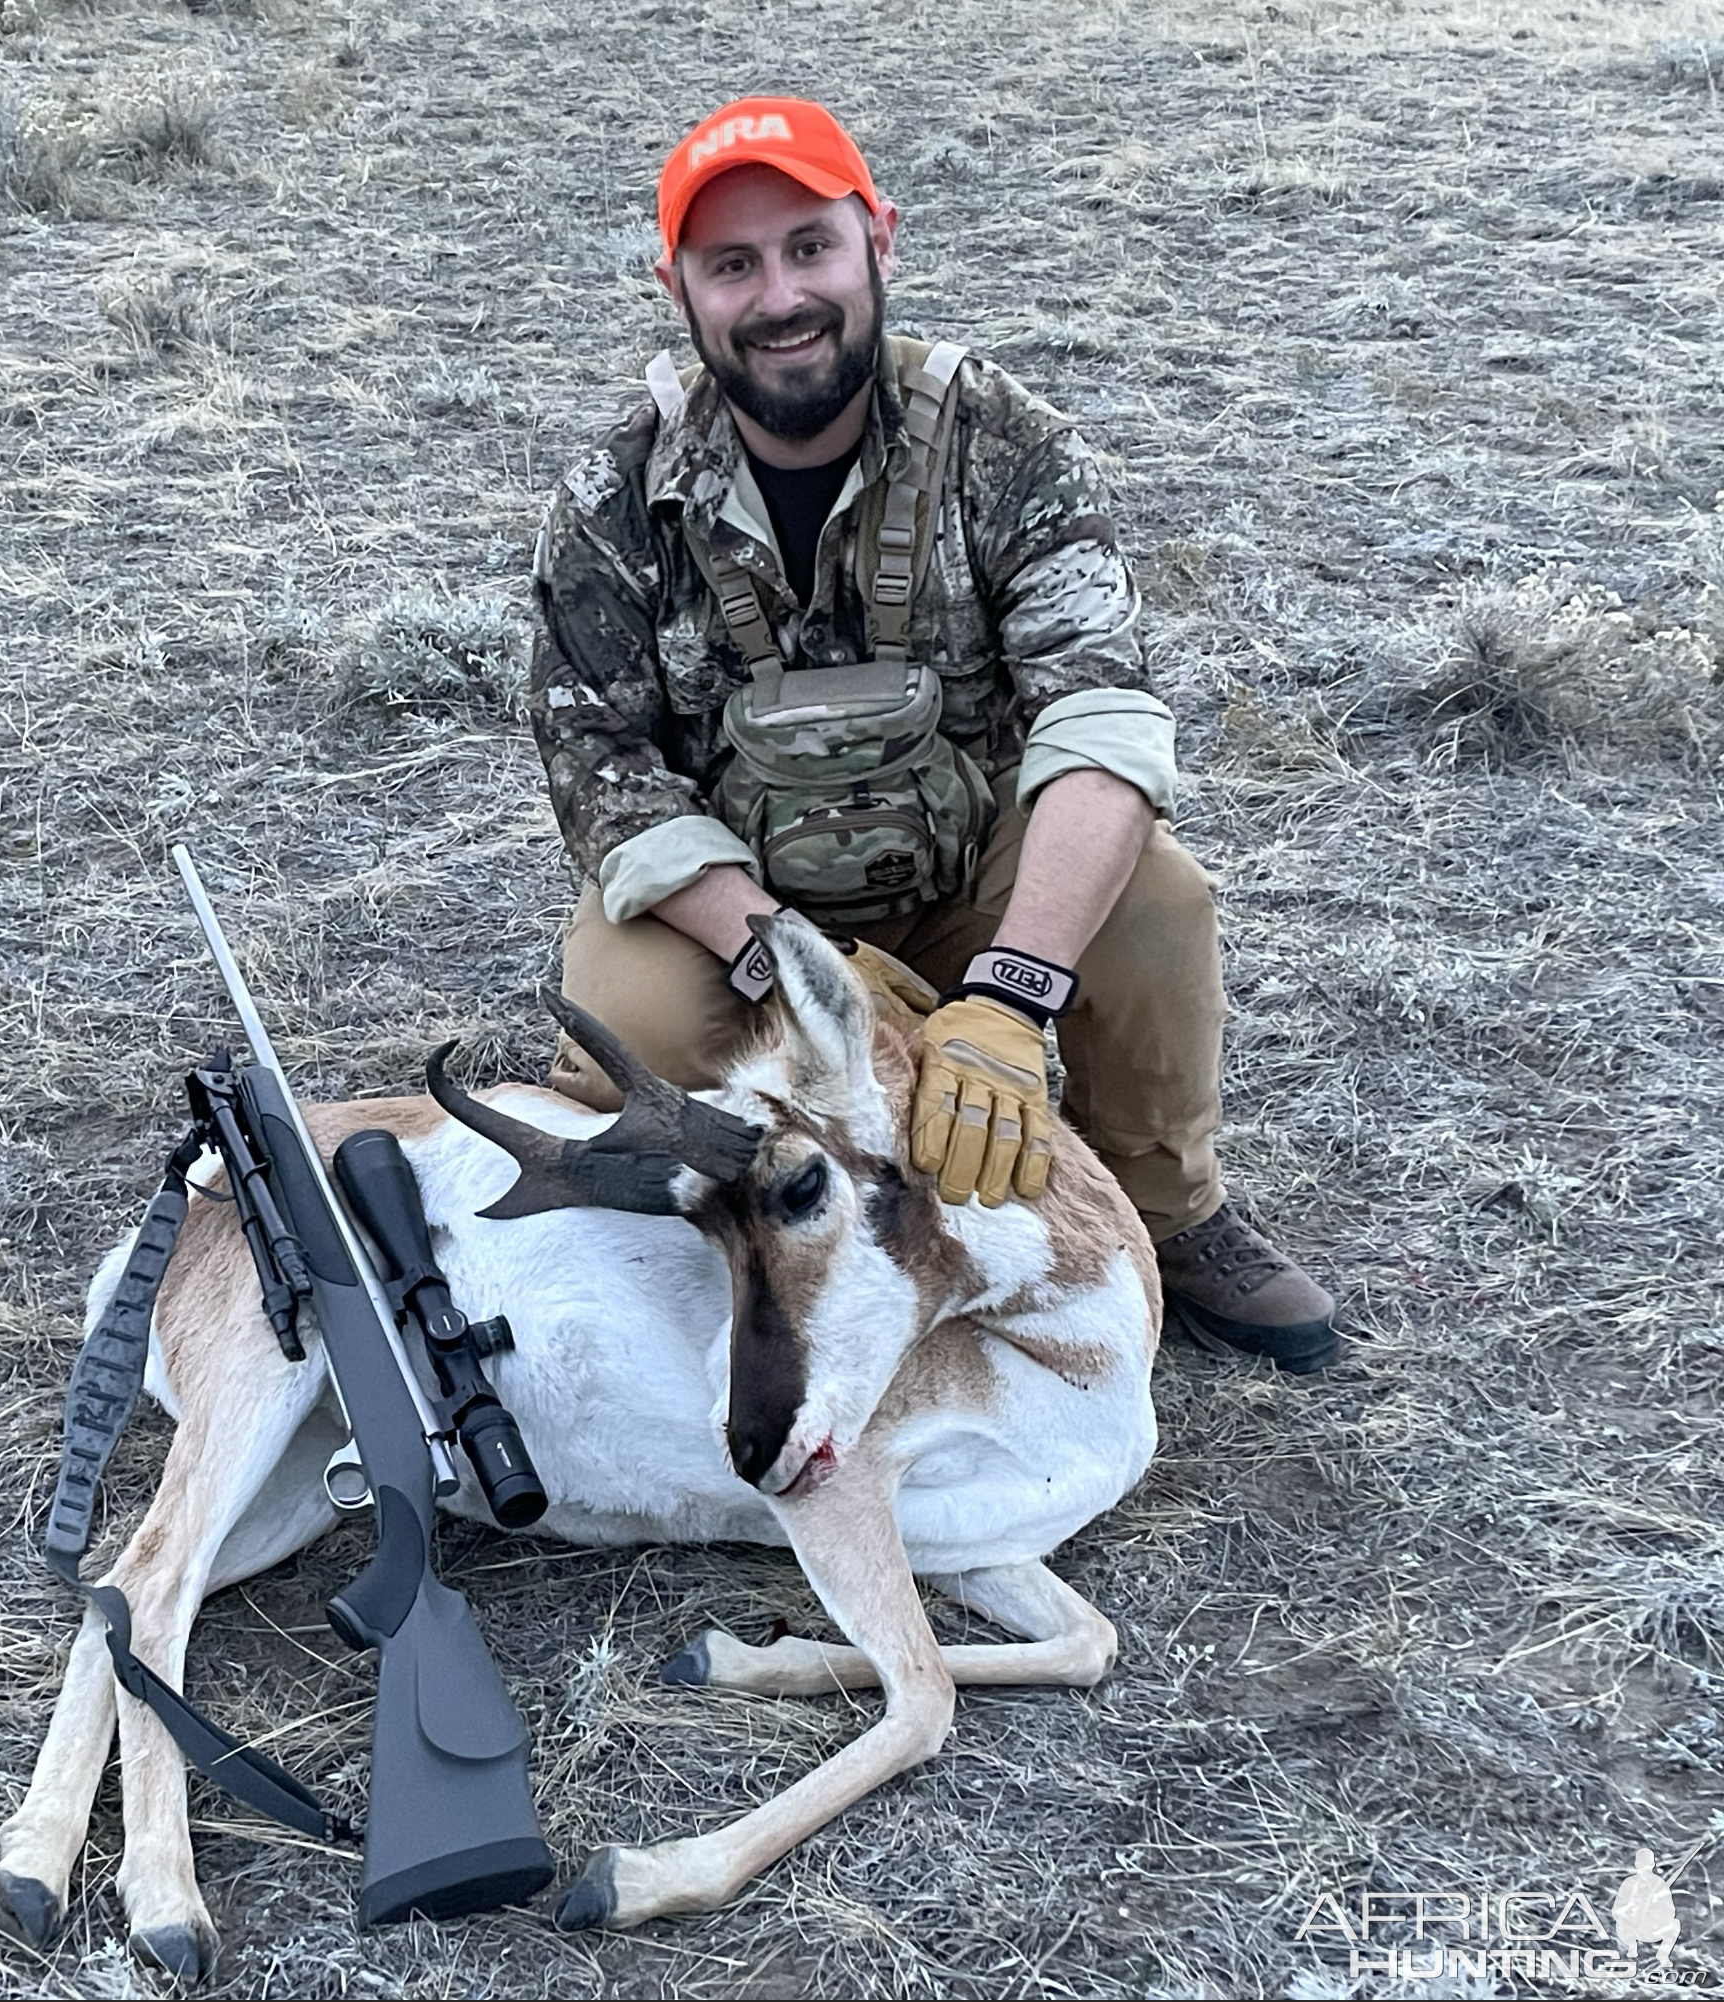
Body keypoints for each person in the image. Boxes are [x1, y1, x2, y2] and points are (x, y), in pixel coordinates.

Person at [528, 96, 1337, 1372]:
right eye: (730, 265)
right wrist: (787, 962)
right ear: (675, 286)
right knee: (625, 1003)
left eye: (808, 246)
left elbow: (1099, 717)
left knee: (1157, 903)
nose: (778, 294)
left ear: (878, 240)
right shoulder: (612, 496)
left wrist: (1011, 997)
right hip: (747, 904)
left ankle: (1167, 1216)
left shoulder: (1010, 447)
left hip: (968, 869)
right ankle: (777, 1224)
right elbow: (599, 764)